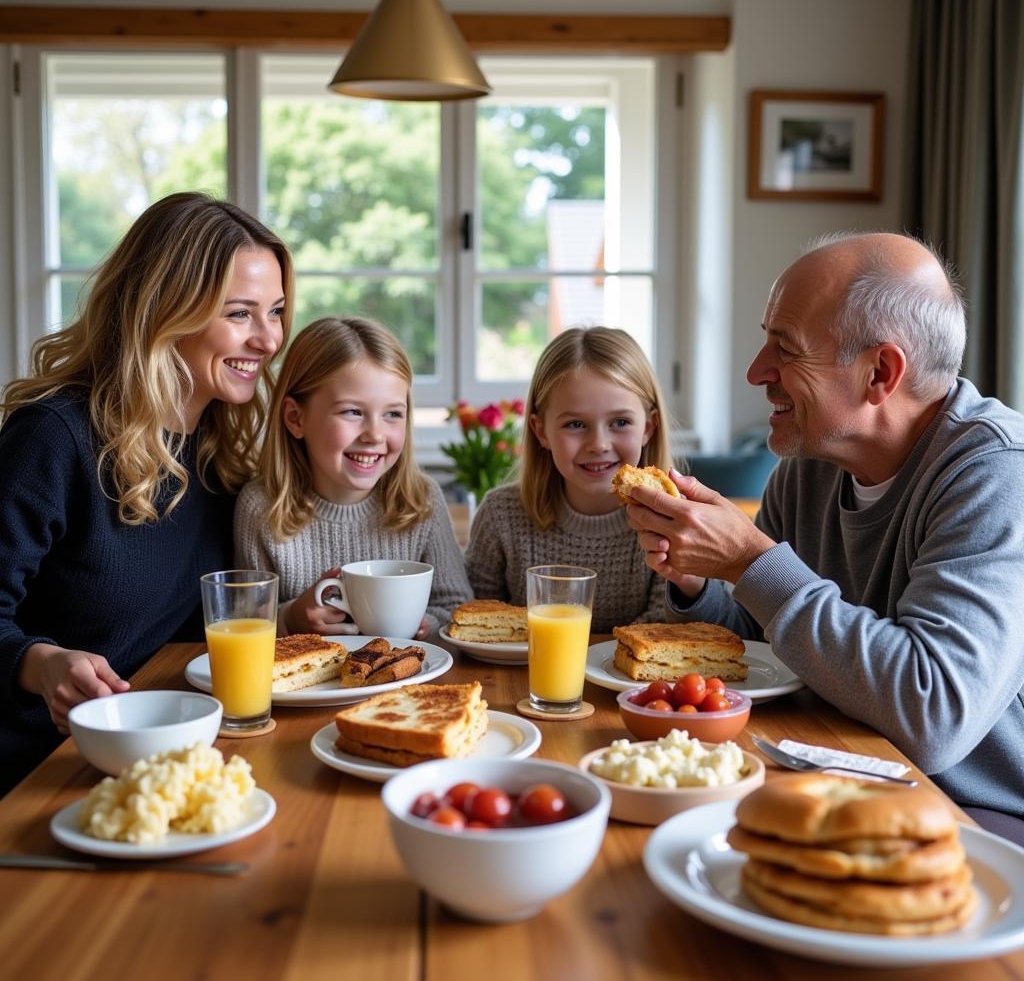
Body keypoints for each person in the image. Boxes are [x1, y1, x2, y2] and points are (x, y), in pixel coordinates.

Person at [626, 231, 1024, 839]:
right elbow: (767, 649)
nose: (757, 370)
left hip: (973, 806)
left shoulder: (996, 474)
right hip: (830, 763)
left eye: (785, 349)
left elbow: (933, 712)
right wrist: (701, 582)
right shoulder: (808, 467)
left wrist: (752, 562)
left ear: (879, 373)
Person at [0, 191, 293, 793]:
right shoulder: (54, 439)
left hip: (167, 756)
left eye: (276, 311)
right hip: (43, 771)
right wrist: (40, 661)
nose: (269, 340)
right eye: (240, 314)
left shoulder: (217, 448)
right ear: (164, 311)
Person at [234, 316, 471, 638]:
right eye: (352, 412)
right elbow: (243, 621)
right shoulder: (262, 506)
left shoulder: (421, 499)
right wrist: (290, 618)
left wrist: (425, 623)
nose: (374, 434)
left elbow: (457, 606)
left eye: (393, 414)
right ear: (295, 418)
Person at [465, 326, 670, 632]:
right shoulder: (501, 515)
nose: (599, 443)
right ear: (541, 431)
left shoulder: (672, 520)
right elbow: (476, 623)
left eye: (620, 422)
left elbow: (669, 628)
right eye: (575, 424)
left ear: (648, 428)